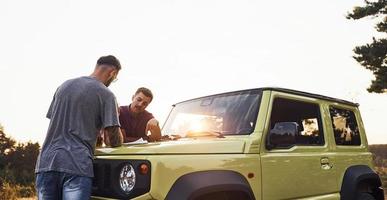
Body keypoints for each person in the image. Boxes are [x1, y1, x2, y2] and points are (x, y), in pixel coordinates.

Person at [35, 55, 124, 200]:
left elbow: (57, 122)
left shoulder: (64, 86)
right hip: (76, 165)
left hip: (46, 163)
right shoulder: (106, 94)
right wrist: (114, 116)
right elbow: (114, 141)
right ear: (112, 73)